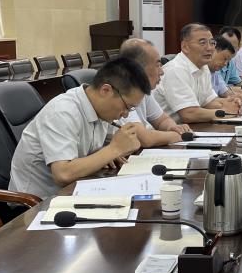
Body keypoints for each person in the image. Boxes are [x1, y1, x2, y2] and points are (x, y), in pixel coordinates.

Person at [8, 57, 146, 199]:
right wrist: (113, 150)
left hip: (74, 191)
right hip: (35, 203)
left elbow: (118, 142)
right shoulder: (62, 111)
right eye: (127, 106)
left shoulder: (102, 109)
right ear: (106, 90)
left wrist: (111, 151)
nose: (126, 114)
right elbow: (63, 174)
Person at [154, 23, 242, 123]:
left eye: (212, 43)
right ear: (185, 47)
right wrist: (225, 112)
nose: (210, 48)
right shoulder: (176, 70)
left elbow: (208, 101)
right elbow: (188, 114)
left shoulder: (203, 67)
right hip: (166, 129)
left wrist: (230, 103)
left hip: (188, 127)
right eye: (202, 43)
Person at [116, 38, 193, 147]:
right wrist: (180, 136)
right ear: (137, 67)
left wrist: (173, 127)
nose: (161, 72)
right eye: (157, 65)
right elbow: (144, 139)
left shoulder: (143, 89)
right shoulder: (120, 92)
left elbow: (162, 120)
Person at [217, 26, 242, 94]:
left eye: (232, 47)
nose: (228, 50)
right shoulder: (213, 62)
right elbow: (221, 89)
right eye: (224, 46)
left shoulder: (231, 61)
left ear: (239, 46)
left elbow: (238, 83)